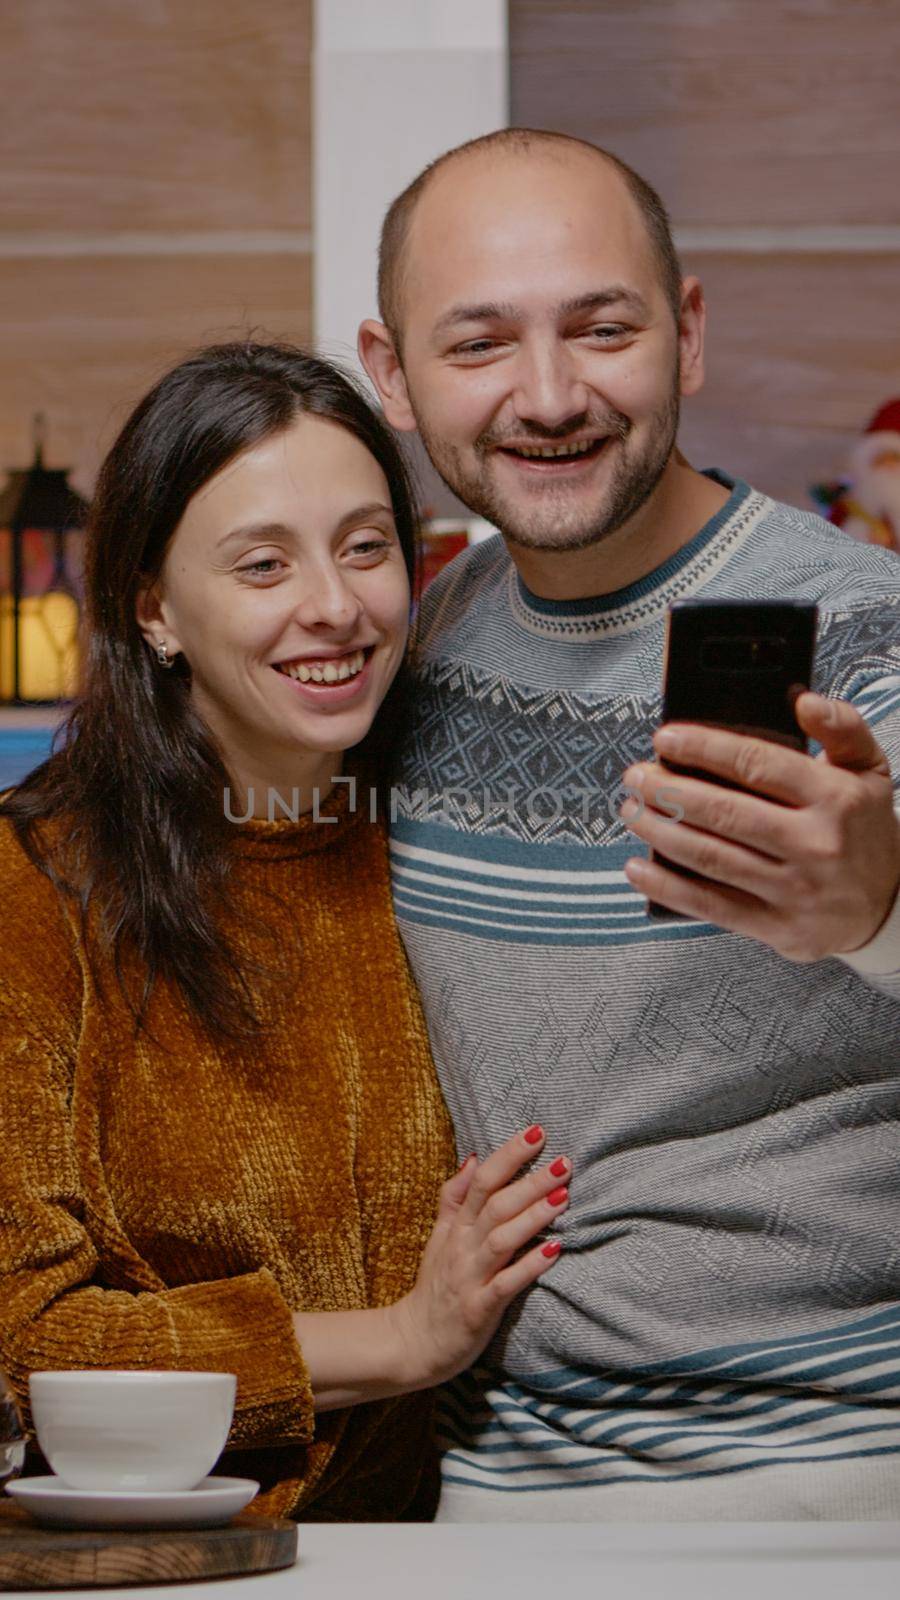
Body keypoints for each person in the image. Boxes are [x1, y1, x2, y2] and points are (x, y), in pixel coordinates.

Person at [358, 129, 900, 1520]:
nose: (549, 397)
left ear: (689, 332)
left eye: (602, 329)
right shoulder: (417, 641)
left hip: (829, 1486)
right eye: (478, 344)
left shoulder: (866, 640)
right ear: (392, 375)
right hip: (484, 1487)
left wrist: (879, 910)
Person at [0, 340, 570, 1523]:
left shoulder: (441, 840)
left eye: (367, 547)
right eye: (263, 563)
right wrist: (405, 1339)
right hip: (158, 1560)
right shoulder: (34, 885)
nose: (335, 604)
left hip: (457, 1545)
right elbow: (33, 1348)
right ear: (153, 607)